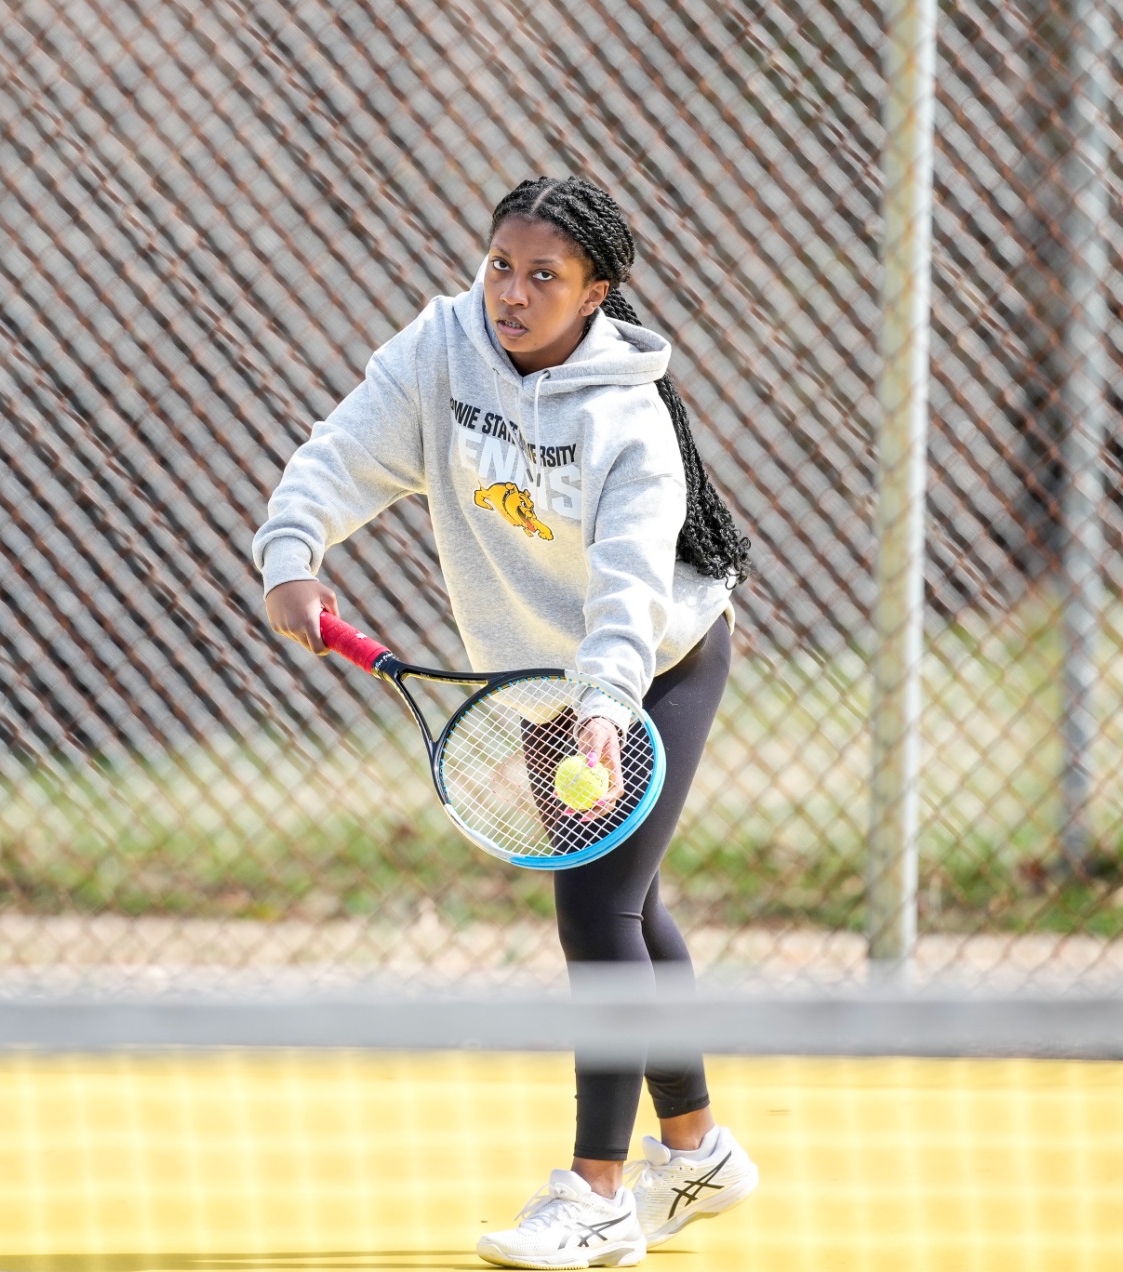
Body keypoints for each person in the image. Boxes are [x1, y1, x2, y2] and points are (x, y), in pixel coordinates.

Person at [254, 175, 759, 1269]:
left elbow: (627, 588)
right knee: (629, 905)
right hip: (531, 678)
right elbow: (345, 448)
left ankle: (598, 1195)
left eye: (543, 277)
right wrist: (293, 551)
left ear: (596, 294)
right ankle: (700, 1152)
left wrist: (606, 708)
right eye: (499, 266)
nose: (510, 294)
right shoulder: (441, 350)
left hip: (654, 664)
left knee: (595, 910)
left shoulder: (628, 420)